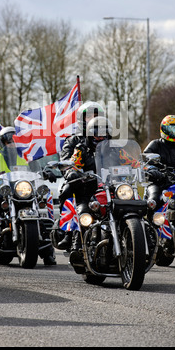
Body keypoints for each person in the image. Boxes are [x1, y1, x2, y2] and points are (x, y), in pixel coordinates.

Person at [0, 126, 57, 265]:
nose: (12, 144)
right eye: (9, 142)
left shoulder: (27, 156)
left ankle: (49, 250)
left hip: (24, 190)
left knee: (44, 197)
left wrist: (47, 172)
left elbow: (37, 168)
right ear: (3, 143)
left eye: (14, 141)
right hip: (4, 190)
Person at [58, 113, 113, 271]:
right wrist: (72, 172)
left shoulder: (114, 150)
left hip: (109, 190)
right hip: (87, 190)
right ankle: (77, 247)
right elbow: (72, 163)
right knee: (83, 212)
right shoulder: (81, 148)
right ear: (90, 134)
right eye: (97, 133)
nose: (100, 137)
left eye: (104, 133)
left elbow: (130, 160)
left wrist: (142, 167)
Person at [56, 101, 105, 250]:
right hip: (82, 184)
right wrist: (70, 171)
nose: (92, 119)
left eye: (96, 116)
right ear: (81, 119)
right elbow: (66, 161)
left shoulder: (106, 140)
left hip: (104, 185)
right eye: (89, 116)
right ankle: (69, 232)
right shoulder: (74, 140)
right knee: (67, 190)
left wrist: (137, 167)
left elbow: (121, 158)